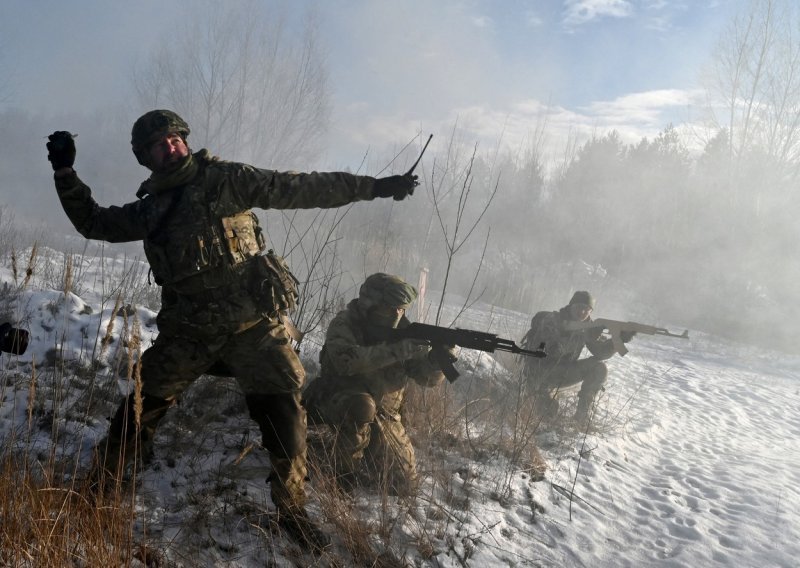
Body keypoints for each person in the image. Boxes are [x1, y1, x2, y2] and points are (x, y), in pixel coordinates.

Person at [45, 110, 418, 549]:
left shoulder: (226, 180)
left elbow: (299, 188)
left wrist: (375, 188)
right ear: (146, 158)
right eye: (157, 146)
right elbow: (95, 223)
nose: (169, 148)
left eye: (173, 140)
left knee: (286, 417)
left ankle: (292, 509)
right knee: (139, 406)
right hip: (190, 331)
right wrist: (65, 172)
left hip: (253, 328)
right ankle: (99, 486)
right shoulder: (152, 210)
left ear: (184, 140)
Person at [302, 273, 455, 496]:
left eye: (401, 309)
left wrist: (438, 361)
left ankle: (347, 450)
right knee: (361, 406)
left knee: (403, 485)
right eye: (390, 308)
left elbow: (426, 378)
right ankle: (342, 480)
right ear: (369, 304)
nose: (397, 313)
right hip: (335, 399)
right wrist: (396, 350)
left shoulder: (407, 332)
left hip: (384, 413)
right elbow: (346, 363)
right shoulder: (345, 323)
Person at [520, 291, 635, 426]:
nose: (582, 312)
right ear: (571, 306)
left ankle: (581, 418)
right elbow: (546, 351)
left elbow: (601, 353)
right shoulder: (552, 320)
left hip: (562, 372)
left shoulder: (588, 327)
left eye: (587, 309)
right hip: (538, 374)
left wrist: (618, 340)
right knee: (548, 412)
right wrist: (575, 334)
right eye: (579, 307)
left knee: (599, 368)